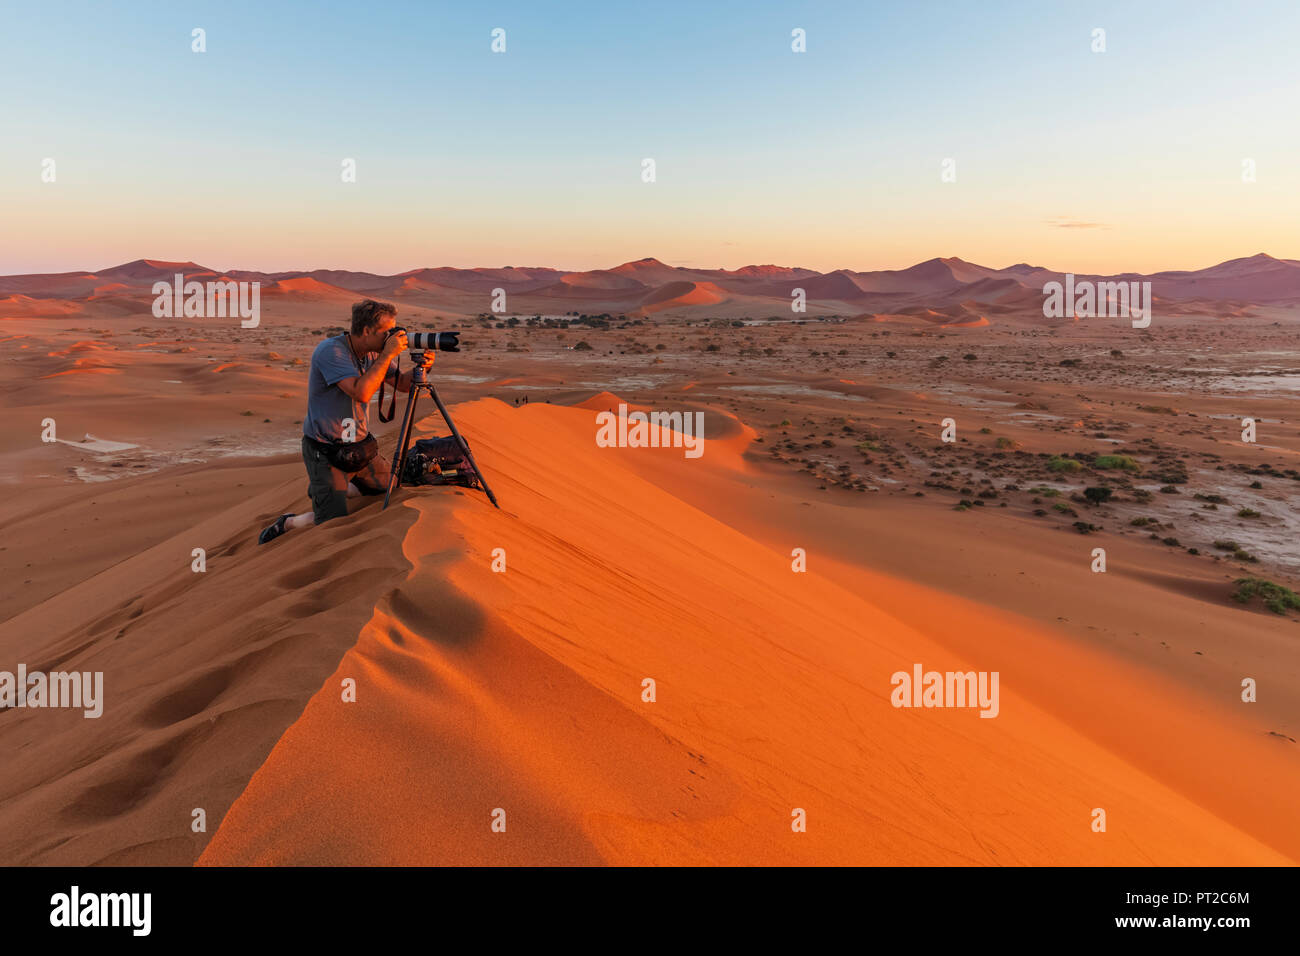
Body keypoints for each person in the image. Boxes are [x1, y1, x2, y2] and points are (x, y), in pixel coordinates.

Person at [258, 299, 433, 544]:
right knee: (331, 524)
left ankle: (341, 488)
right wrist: (388, 354)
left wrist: (423, 369)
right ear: (366, 331)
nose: (392, 337)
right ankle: (289, 522)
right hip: (327, 451)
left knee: (392, 485)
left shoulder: (374, 353)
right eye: (386, 332)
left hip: (360, 448)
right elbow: (361, 392)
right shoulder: (332, 352)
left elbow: (403, 385)